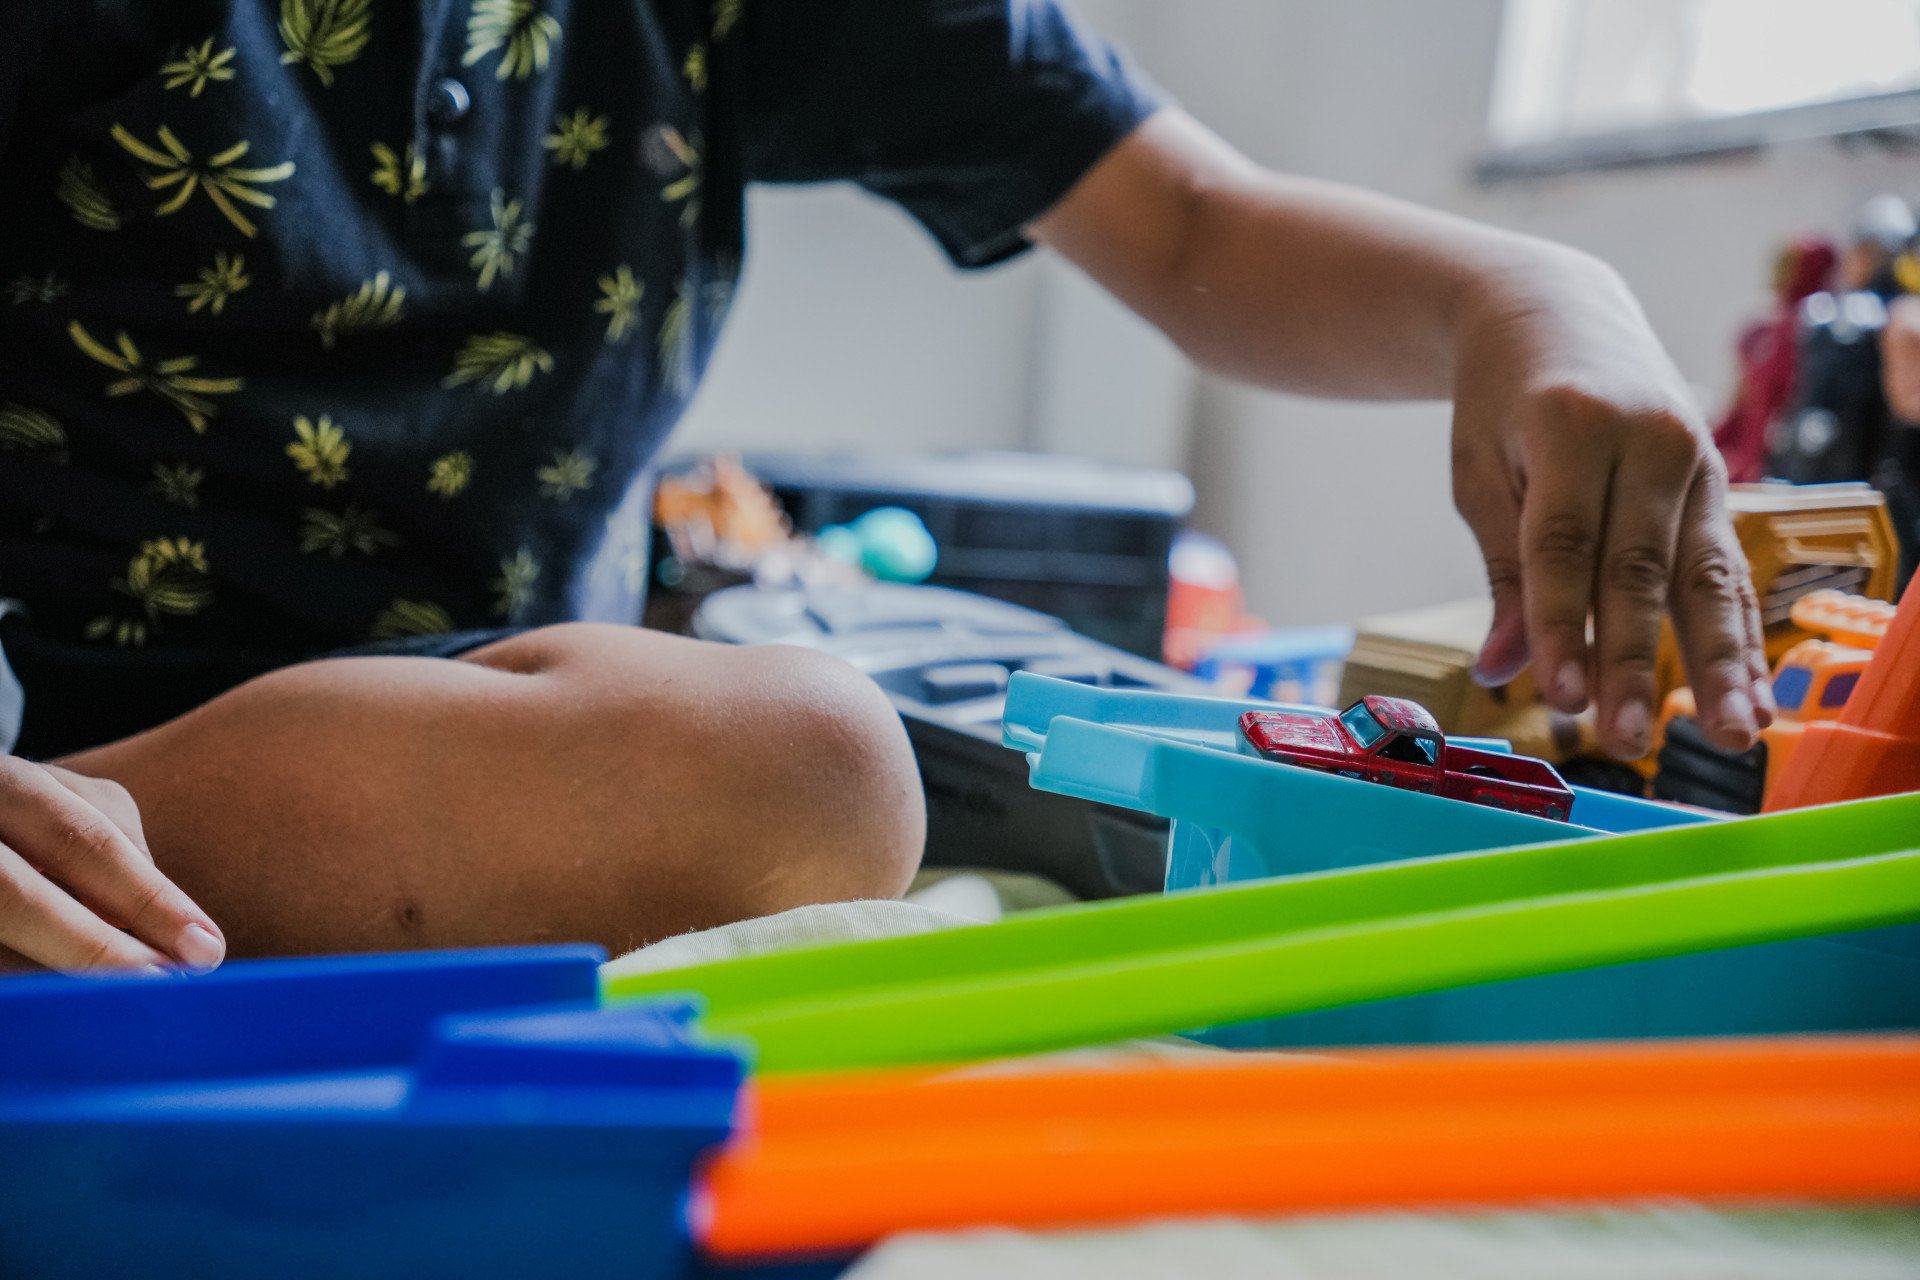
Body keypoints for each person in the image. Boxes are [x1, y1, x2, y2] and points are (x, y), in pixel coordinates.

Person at [0, 0, 1771, 975]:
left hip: (509, 724)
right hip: (97, 763)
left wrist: (1531, 297)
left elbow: (1188, 221)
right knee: (805, 770)